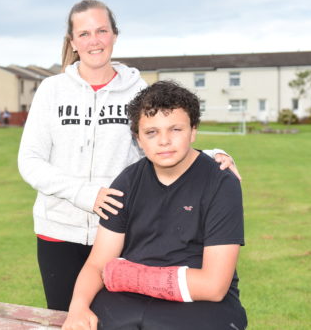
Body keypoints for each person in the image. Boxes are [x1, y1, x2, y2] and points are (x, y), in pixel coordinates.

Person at [17, 0, 241, 311]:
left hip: (120, 234)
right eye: (84, 34)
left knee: (116, 318)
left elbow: (160, 138)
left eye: (101, 30)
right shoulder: (52, 90)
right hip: (59, 231)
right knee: (68, 316)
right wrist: (86, 194)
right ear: (72, 42)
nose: (94, 40)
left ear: (114, 35)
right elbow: (30, 161)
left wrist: (212, 155)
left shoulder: (136, 88)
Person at [62, 81, 247, 330]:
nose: (164, 141)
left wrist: (127, 276)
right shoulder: (127, 181)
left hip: (197, 302)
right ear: (138, 139)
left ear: (193, 131)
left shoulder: (221, 182)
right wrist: (78, 307)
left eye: (175, 130)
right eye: (151, 132)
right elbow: (98, 263)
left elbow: (213, 286)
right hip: (127, 299)